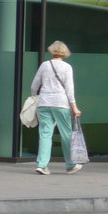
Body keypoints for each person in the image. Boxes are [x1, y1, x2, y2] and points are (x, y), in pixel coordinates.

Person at [30, 40, 83, 175]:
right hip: (61, 103)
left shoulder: (44, 65)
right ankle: (70, 164)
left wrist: (35, 97)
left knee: (45, 134)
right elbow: (69, 90)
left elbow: (34, 85)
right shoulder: (67, 67)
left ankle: (42, 165)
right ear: (65, 52)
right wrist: (75, 108)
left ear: (51, 51)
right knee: (66, 134)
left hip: (44, 103)